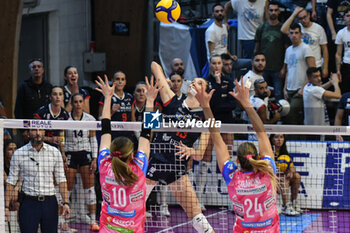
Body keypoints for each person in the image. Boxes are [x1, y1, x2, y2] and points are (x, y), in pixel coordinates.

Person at [193, 78, 279, 232]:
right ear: (258, 157)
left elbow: (216, 138)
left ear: (237, 161)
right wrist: (246, 103)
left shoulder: (233, 176)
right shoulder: (267, 170)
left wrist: (205, 106)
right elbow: (261, 132)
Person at [146, 62, 214, 233]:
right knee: (133, 208)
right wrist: (164, 82)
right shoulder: (173, 100)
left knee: (197, 216)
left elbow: (199, 155)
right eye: (193, 80)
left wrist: (192, 151)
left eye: (199, 83)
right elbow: (154, 65)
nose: (193, 83)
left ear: (205, 93)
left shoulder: (204, 119)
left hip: (176, 166)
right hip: (155, 160)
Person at [96, 74, 157, 232]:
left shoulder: (104, 165)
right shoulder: (138, 169)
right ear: (131, 155)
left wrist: (107, 97)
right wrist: (151, 101)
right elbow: (147, 132)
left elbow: (105, 128)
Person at [5, 128, 71, 233]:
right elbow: (11, 181)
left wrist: (66, 203)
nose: (37, 133)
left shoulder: (54, 152)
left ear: (44, 132)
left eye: (40, 130)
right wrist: (6, 207)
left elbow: (61, 179)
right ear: (28, 133)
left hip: (49, 203)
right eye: (34, 130)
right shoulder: (19, 154)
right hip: (28, 203)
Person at [198, 54, 235, 211]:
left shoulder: (229, 81)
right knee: (205, 158)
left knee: (228, 159)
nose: (217, 66)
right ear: (210, 64)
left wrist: (219, 102)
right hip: (210, 123)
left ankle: (232, 200)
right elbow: (210, 104)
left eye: (219, 63)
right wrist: (220, 100)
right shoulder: (205, 83)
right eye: (214, 63)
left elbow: (233, 104)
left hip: (227, 124)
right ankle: (198, 198)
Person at [64, 93, 99, 231]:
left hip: (85, 154)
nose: (78, 104)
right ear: (71, 104)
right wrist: (63, 155)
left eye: (80, 102)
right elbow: (62, 137)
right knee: (68, 187)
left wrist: (95, 158)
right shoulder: (66, 119)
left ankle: (92, 219)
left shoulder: (90, 119)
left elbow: (93, 139)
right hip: (70, 153)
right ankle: (62, 219)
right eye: (76, 102)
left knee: (89, 188)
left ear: (83, 103)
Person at [281, 23, 316, 125]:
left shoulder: (306, 48)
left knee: (292, 114)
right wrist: (284, 88)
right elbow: (288, 71)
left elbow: (312, 71)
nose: (294, 35)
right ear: (288, 35)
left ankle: (295, 139)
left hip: (301, 89)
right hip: (289, 89)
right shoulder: (288, 50)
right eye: (291, 33)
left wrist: (303, 88)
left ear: (301, 34)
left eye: (296, 33)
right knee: (287, 116)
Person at [281, 6, 329, 79]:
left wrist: (325, 67)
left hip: (316, 65)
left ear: (309, 15)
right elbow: (283, 29)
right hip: (300, 66)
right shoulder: (297, 29)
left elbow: (324, 49)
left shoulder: (318, 28)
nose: (303, 20)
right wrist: (294, 14)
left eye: (305, 17)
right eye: (300, 18)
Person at [255, 1, 289, 100]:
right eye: (271, 10)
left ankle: (279, 114)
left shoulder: (283, 29)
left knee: (278, 94)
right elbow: (256, 49)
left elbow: (287, 49)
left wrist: (284, 68)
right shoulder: (261, 28)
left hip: (278, 68)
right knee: (262, 94)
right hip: (263, 68)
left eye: (275, 10)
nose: (273, 12)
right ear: (267, 11)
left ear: (279, 12)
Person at [270, 134, 302, 216]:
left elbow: (292, 167)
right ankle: (285, 206)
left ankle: (293, 203)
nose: (279, 140)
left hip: (283, 179)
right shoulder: (268, 151)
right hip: (271, 181)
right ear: (272, 139)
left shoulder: (284, 153)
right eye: (276, 137)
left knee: (297, 176)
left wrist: (291, 172)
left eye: (281, 137)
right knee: (284, 178)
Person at [98, 70, 134, 141]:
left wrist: (137, 134)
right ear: (112, 81)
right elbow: (100, 118)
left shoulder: (130, 97)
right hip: (112, 134)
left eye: (122, 79)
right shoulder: (106, 97)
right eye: (117, 79)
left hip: (128, 134)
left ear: (125, 82)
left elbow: (133, 118)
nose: (120, 82)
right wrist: (111, 112)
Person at [3, 140, 20, 233]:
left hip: (15, 191)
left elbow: (21, 179)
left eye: (15, 149)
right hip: (4, 190)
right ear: (5, 151)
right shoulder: (2, 163)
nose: (14, 152)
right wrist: (13, 190)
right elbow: (7, 180)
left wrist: (16, 189)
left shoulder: (20, 161)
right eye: (10, 149)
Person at [335, 8, 350, 94]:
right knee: (346, 92)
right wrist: (338, 70)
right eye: (348, 16)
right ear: (344, 17)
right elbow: (338, 54)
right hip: (346, 65)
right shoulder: (341, 33)